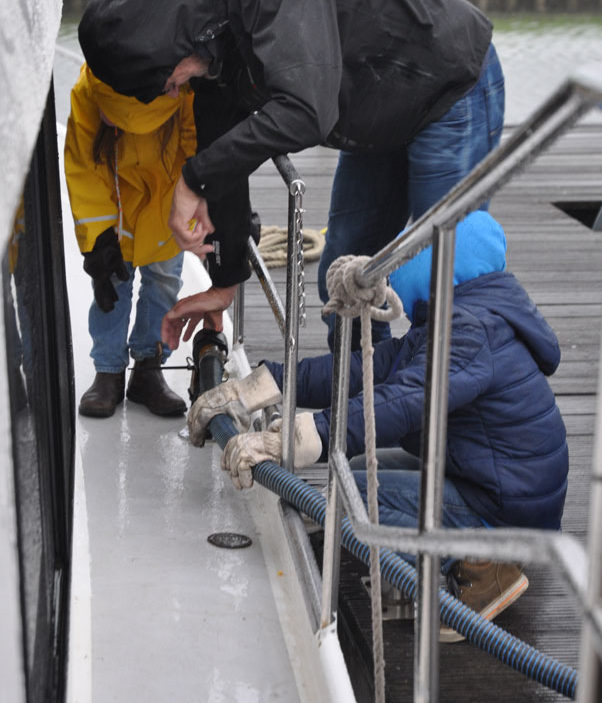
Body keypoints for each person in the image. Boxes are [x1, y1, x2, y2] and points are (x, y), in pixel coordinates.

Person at [76, 0, 504, 351]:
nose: (171, 93)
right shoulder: (208, 40)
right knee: (346, 277)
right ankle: (364, 390)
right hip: (381, 107)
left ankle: (452, 391)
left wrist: (192, 179)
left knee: (440, 277)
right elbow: (219, 152)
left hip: (448, 86)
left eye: (165, 81)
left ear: (168, 44)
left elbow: (306, 111)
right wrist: (224, 281)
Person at [186, 211, 569, 637]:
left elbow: (401, 403)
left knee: (354, 499)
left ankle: (484, 568)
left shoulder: (469, 333)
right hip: (500, 484)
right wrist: (262, 385)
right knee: (354, 470)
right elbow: (363, 370)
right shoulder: (468, 316)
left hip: (507, 510)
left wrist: (299, 437)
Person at [64, 63, 196, 418]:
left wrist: (199, 200)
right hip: (115, 208)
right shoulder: (89, 89)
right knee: (112, 284)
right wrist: (98, 239)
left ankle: (148, 368)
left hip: (167, 204)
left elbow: (194, 145)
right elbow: (83, 165)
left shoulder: (184, 85)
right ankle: (108, 370)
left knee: (164, 284)